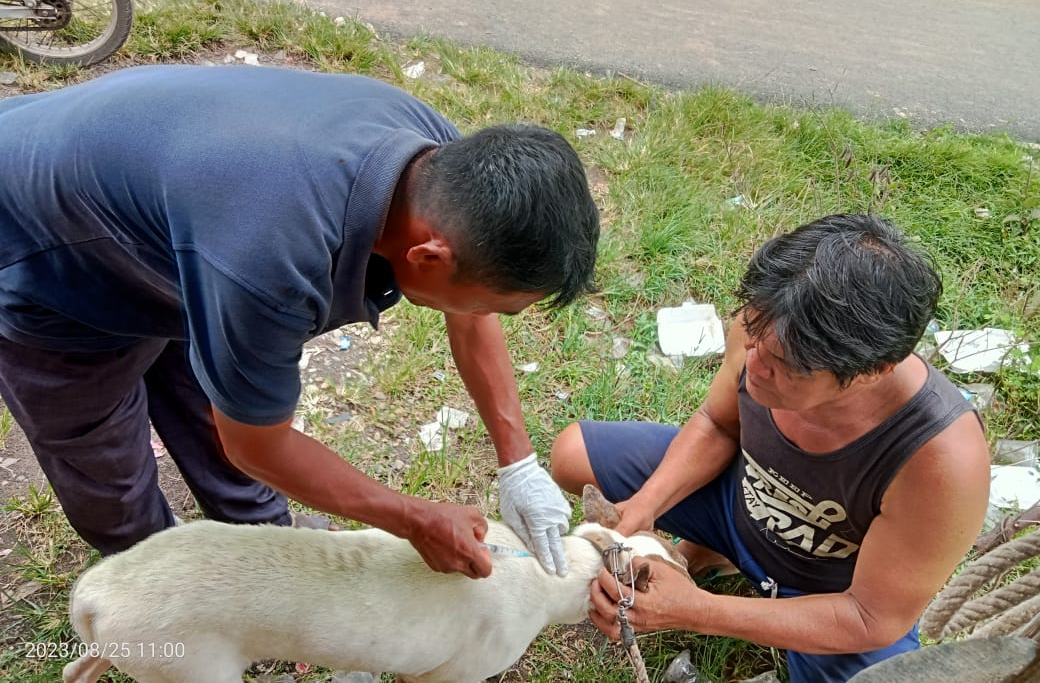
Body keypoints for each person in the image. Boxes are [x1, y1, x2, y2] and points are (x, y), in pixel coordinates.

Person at [0, 64, 599, 579]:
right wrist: (412, 519)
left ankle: (260, 537)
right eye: (494, 304)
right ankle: (155, 570)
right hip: (40, 244)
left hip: (167, 221)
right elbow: (257, 444)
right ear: (428, 256)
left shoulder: (443, 166)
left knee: (219, 390)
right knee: (103, 453)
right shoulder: (274, 265)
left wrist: (516, 461)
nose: (487, 317)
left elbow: (466, 314)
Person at [551, 213, 991, 682]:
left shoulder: (941, 460)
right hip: (739, 503)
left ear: (872, 370)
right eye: (754, 335)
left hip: (825, 592)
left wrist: (699, 611)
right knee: (574, 454)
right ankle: (712, 551)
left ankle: (725, 571)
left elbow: (870, 617)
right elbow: (718, 425)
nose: (754, 364)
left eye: (787, 367)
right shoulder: (772, 325)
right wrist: (644, 508)